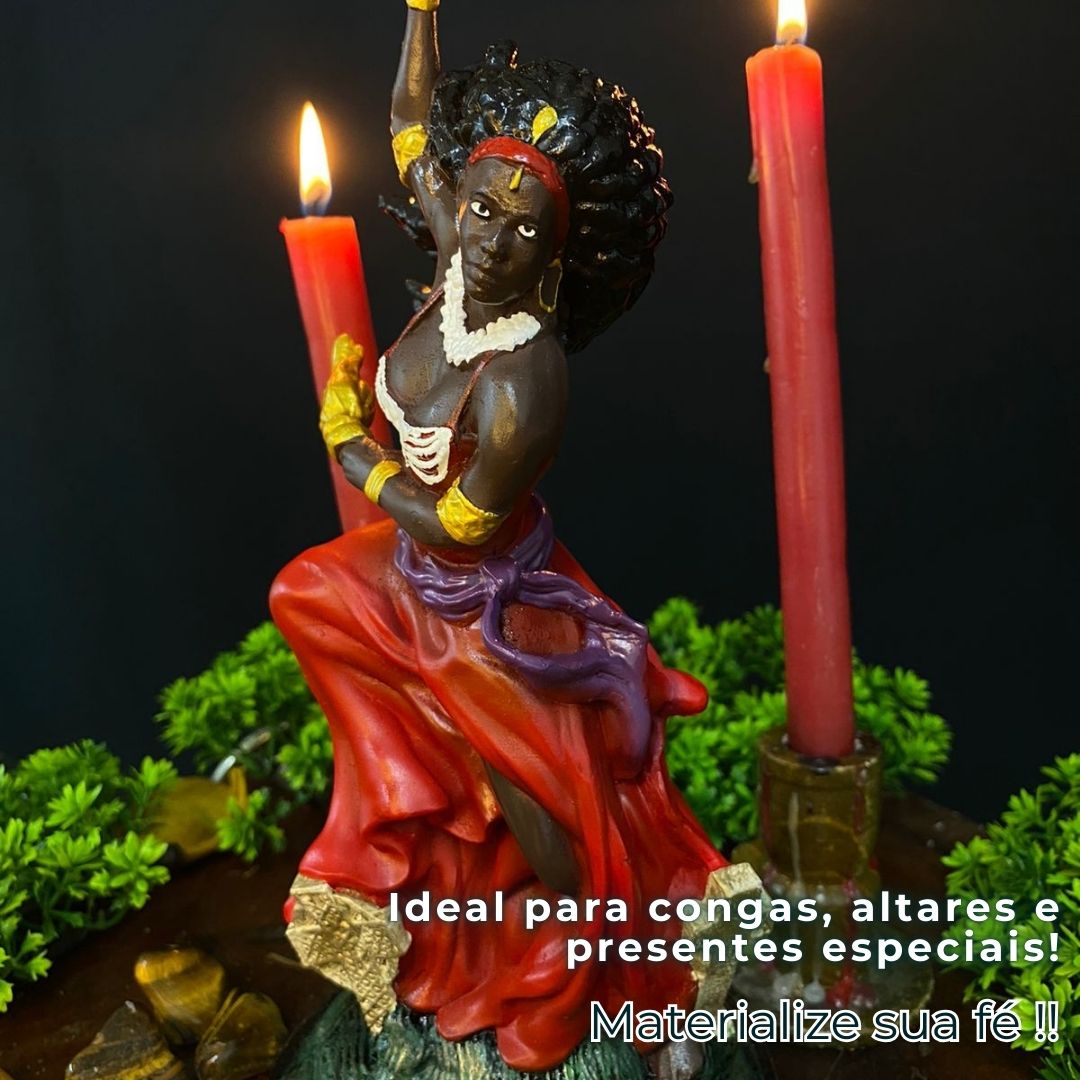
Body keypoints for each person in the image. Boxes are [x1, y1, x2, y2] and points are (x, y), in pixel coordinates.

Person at [271, 2, 753, 1074]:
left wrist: (355, 451)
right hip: (405, 573)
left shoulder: (526, 380)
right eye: (482, 207)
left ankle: (625, 978)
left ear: (555, 255)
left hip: (485, 599)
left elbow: (459, 522)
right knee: (305, 594)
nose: (491, 240)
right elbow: (409, 119)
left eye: (523, 229)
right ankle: (409, 815)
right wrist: (421, 13)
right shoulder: (458, 248)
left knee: (555, 828)